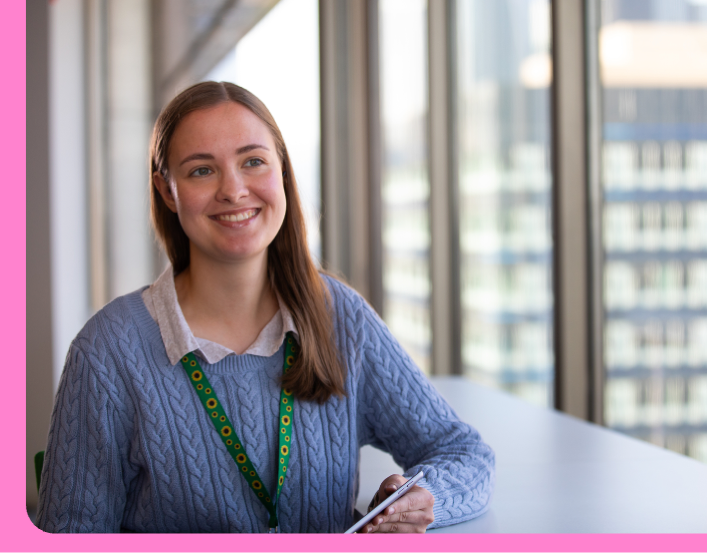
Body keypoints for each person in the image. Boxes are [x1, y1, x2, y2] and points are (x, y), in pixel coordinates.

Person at [35, 81, 495, 533]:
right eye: (201, 170)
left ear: (282, 172)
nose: (234, 191)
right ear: (167, 190)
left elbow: (464, 453)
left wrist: (421, 497)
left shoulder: (340, 317)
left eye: (253, 162)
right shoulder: (107, 352)